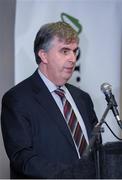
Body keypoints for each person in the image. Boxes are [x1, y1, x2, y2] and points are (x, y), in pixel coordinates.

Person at [1, 21, 100, 178]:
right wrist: (72, 175)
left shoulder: (83, 99)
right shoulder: (17, 99)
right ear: (44, 55)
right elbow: (23, 159)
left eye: (75, 51)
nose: (73, 59)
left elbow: (96, 150)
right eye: (65, 51)